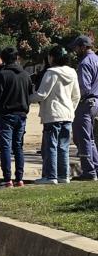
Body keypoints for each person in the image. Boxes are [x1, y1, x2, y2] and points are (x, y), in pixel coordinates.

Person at [30, 45, 80, 184]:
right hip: (67, 115)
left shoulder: (51, 72)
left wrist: (27, 98)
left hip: (53, 115)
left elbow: (42, 94)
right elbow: (76, 96)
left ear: (52, 57)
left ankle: (51, 176)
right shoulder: (72, 72)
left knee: (51, 145)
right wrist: (71, 109)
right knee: (63, 146)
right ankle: (63, 176)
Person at [0, 47, 33, 188]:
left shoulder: (1, 75)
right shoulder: (26, 75)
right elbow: (29, 95)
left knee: (6, 147)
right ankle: (19, 178)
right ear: (17, 58)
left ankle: (7, 179)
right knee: (18, 147)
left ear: (2, 59)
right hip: (21, 114)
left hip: (5, 115)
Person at [70, 35, 98, 181]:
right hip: (95, 103)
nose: (75, 50)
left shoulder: (84, 63)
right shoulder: (96, 59)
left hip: (86, 103)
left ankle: (89, 171)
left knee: (83, 139)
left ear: (82, 47)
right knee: (90, 138)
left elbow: (84, 88)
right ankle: (96, 168)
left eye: (76, 47)